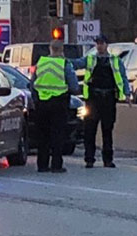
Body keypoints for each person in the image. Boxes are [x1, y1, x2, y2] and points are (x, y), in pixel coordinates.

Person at [71, 35, 131, 169]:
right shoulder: (90, 59)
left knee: (107, 130)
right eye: (97, 43)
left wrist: (127, 93)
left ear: (106, 45)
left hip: (109, 98)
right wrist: (61, 61)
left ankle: (108, 160)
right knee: (89, 130)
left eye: (102, 43)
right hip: (93, 99)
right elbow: (76, 64)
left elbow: (123, 77)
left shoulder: (115, 61)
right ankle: (89, 159)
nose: (99, 46)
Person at [32, 40, 80, 173]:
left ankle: (42, 165)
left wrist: (36, 99)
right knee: (57, 135)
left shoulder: (41, 63)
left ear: (50, 49)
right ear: (62, 50)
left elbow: (32, 84)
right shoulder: (64, 64)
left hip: (42, 104)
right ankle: (56, 165)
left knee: (43, 135)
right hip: (59, 104)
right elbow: (74, 85)